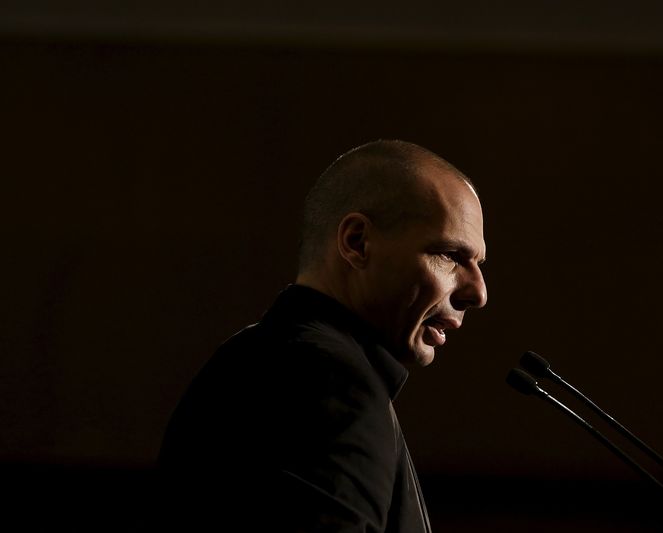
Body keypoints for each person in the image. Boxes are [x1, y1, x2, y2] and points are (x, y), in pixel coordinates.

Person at [158, 140, 488, 532]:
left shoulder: (259, 355)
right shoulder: (330, 382)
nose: (478, 292)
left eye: (479, 264)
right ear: (356, 242)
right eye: (450, 255)